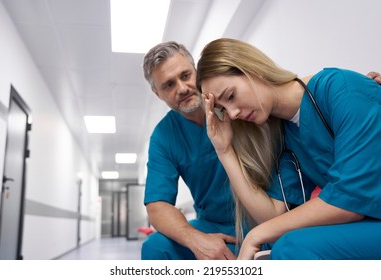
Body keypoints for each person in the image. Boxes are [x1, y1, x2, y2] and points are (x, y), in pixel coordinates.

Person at [196, 38, 381, 260]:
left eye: (231, 96)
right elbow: (272, 214)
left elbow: (348, 199)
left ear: (252, 68)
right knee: (280, 244)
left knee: (292, 247)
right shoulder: (285, 135)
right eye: (222, 109)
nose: (233, 113)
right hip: (369, 224)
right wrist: (224, 151)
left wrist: (256, 235)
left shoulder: (340, 88)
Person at [140, 41, 240, 260]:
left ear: (196, 71)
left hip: (260, 214)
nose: (182, 88)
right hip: (212, 223)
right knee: (154, 247)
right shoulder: (163, 137)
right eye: (168, 85)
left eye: (185, 76)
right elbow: (157, 205)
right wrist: (196, 240)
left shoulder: (228, 99)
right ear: (157, 93)